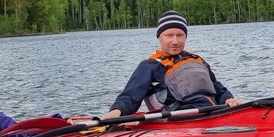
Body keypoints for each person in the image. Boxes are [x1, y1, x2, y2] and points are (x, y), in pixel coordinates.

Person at [96, 10, 240, 119]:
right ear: (159, 37)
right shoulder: (149, 66)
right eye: (169, 35)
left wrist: (228, 98)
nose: (175, 41)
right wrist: (116, 112)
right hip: (182, 118)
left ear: (185, 37)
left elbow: (217, 87)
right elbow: (131, 95)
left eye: (180, 35)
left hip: (215, 112)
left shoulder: (197, 60)